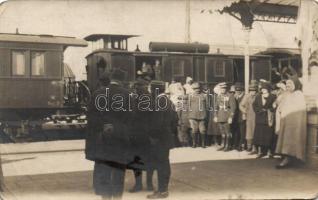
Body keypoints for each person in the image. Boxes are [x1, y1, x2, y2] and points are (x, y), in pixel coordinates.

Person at [85, 69, 133, 200]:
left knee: (103, 169)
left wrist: (104, 126)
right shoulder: (127, 94)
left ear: (111, 78)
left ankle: (105, 197)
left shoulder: (98, 93)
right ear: (122, 80)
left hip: (102, 138)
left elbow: (90, 117)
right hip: (120, 138)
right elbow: (131, 118)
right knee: (118, 169)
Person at [147, 81, 178, 199]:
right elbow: (175, 119)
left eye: (150, 88)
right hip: (165, 137)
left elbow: (157, 123)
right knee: (163, 163)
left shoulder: (159, 102)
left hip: (159, 139)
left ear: (155, 90)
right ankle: (162, 189)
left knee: (161, 164)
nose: (149, 91)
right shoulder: (168, 101)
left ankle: (162, 191)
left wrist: (154, 136)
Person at [128, 78, 154, 193]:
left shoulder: (146, 99)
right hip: (142, 134)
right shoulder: (148, 99)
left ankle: (142, 184)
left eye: (138, 87)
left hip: (143, 133)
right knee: (145, 159)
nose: (136, 89)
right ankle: (147, 184)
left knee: (138, 159)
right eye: (136, 87)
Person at [275, 77, 307, 169]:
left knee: (293, 140)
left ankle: (290, 159)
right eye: (287, 84)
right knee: (287, 140)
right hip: (287, 122)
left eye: (290, 84)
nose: (288, 86)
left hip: (295, 123)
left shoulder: (298, 94)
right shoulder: (288, 94)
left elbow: (298, 109)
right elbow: (280, 104)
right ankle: (287, 158)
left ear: (295, 85)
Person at [252, 81, 276, 158]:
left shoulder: (273, 96)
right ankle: (260, 151)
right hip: (259, 119)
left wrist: (269, 110)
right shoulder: (258, 96)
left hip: (268, 119)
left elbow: (275, 106)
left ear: (268, 89)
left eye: (265, 88)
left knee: (268, 135)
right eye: (262, 88)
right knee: (259, 136)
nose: (263, 90)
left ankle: (269, 152)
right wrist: (259, 111)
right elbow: (254, 105)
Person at [214, 82, 236, 151]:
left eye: (224, 88)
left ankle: (228, 145)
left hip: (227, 116)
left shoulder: (230, 96)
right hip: (220, 116)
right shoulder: (219, 96)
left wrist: (231, 117)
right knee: (222, 132)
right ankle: (223, 145)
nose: (223, 90)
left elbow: (233, 107)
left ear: (226, 89)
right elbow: (216, 107)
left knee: (228, 132)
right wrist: (215, 116)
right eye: (221, 88)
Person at [239, 81, 258, 152]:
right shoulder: (247, 96)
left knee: (256, 131)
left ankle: (255, 147)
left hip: (257, 116)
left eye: (254, 90)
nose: (253, 92)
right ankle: (249, 146)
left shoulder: (258, 96)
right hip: (249, 116)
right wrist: (245, 111)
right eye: (251, 90)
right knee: (249, 131)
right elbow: (241, 105)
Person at [188, 82, 208, 148]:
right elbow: (188, 106)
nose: (197, 90)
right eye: (195, 89)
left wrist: (206, 115)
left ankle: (203, 143)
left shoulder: (204, 96)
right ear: (193, 89)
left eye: (198, 88)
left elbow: (207, 106)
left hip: (202, 115)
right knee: (194, 130)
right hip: (193, 115)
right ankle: (194, 143)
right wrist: (189, 115)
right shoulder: (190, 95)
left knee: (202, 130)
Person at [234, 82, 246, 151]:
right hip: (236, 117)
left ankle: (241, 145)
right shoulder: (235, 96)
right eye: (237, 90)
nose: (238, 92)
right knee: (236, 131)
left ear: (242, 90)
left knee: (242, 132)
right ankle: (235, 144)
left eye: (239, 90)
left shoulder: (244, 96)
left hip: (242, 116)